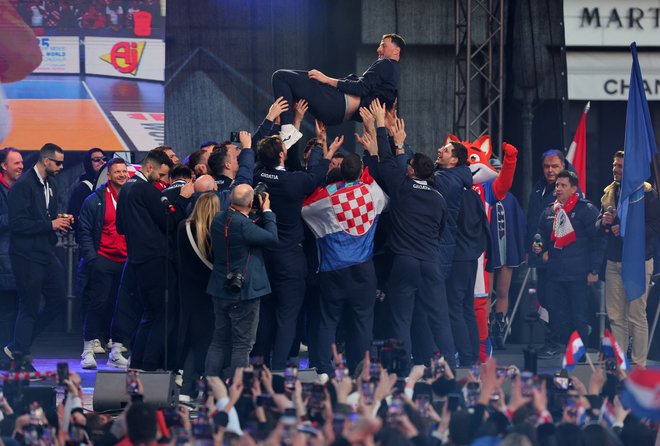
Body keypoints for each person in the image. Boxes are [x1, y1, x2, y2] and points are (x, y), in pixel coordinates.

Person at [369, 99, 456, 370]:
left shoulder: (403, 187)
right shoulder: (439, 197)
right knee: (440, 318)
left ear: (411, 170)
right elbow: (442, 231)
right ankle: (451, 369)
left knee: (401, 319)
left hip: (404, 262)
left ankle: (404, 371)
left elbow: (384, 163)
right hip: (430, 263)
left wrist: (383, 128)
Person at [251, 130, 335, 370]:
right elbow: (316, 174)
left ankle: (259, 365)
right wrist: (322, 149)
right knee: (287, 316)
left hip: (264, 257)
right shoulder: (293, 182)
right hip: (289, 257)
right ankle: (278, 368)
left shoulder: (258, 174)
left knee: (265, 313)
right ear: (281, 154)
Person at [301, 151, 388, 375]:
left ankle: (323, 369)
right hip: (364, 271)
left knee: (328, 321)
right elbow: (385, 201)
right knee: (363, 321)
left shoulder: (326, 196)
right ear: (360, 171)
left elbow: (305, 210)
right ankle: (359, 368)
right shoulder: (372, 192)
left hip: (333, 271)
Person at [116, 149, 194, 371]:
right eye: (161, 175)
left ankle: (138, 364)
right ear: (150, 167)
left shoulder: (126, 189)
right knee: (163, 314)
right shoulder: (144, 189)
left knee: (150, 313)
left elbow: (121, 227)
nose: (162, 181)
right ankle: (150, 366)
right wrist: (182, 199)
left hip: (137, 260)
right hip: (156, 260)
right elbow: (170, 221)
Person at [2, 143, 72, 369]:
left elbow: (45, 215)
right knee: (29, 306)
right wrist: (49, 224)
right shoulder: (22, 186)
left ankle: (16, 347)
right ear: (46, 160)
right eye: (58, 162)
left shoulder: (50, 182)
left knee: (59, 300)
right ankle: (21, 355)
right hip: (26, 255)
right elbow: (17, 224)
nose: (62, 166)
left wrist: (61, 221)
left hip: (45, 251)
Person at [272, 33, 404, 147]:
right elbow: (366, 104)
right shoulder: (393, 83)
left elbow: (361, 87)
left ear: (396, 51)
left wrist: (327, 79)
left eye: (383, 46)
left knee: (281, 76)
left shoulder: (386, 63)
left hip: (336, 102)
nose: (378, 49)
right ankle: (288, 134)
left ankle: (287, 130)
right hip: (337, 113)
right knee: (291, 89)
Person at [205, 184, 278, 378]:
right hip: (243, 292)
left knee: (219, 341)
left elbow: (241, 225)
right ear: (251, 202)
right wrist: (268, 211)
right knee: (242, 345)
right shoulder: (244, 225)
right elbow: (272, 238)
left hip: (219, 288)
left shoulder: (218, 219)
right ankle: (238, 392)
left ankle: (210, 388)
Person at [596, 151, 660, 366]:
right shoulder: (609, 192)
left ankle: (639, 366)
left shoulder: (647, 193)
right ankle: (620, 366)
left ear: (631, 168)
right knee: (616, 317)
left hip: (639, 261)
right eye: (614, 165)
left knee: (636, 315)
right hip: (614, 261)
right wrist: (604, 222)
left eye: (621, 166)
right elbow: (598, 224)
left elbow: (655, 225)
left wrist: (626, 230)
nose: (616, 169)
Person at [533, 170, 603, 349]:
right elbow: (540, 234)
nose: (558, 189)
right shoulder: (549, 210)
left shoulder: (586, 210)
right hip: (555, 274)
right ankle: (566, 351)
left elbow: (598, 240)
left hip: (578, 275)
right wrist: (539, 248)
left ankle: (579, 356)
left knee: (578, 316)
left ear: (573, 188)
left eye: (563, 185)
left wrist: (594, 270)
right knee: (558, 316)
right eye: (557, 185)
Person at [77, 158, 129, 369]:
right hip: (103, 260)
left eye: (124, 171)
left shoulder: (131, 196)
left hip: (126, 262)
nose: (122, 175)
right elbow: (84, 232)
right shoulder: (94, 200)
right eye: (117, 172)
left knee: (122, 308)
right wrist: (93, 259)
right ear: (108, 175)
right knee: (97, 305)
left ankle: (116, 351)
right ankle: (87, 351)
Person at [526, 149, 573, 359]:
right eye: (547, 166)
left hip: (561, 259)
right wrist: (532, 249)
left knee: (559, 302)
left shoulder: (570, 189)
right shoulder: (538, 188)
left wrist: (550, 251)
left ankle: (558, 342)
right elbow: (533, 222)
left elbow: (569, 226)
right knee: (545, 298)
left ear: (563, 166)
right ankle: (553, 341)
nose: (550, 170)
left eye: (555, 166)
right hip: (540, 255)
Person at [177, 192, 220, 398]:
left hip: (188, 291)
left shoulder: (182, 227)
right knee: (210, 341)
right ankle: (205, 387)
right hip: (211, 292)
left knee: (194, 339)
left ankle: (187, 387)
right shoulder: (216, 231)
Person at [0, 148, 22, 352]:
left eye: (21, 162)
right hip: (3, 261)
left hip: (18, 259)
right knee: (7, 311)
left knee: (17, 310)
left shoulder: (18, 189)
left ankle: (13, 354)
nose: (21, 166)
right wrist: (17, 218)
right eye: (16, 163)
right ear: (3, 166)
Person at [67, 148, 107, 228]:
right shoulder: (82, 188)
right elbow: (73, 217)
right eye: (96, 160)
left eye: (104, 159)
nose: (102, 162)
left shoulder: (110, 184)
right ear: (89, 164)